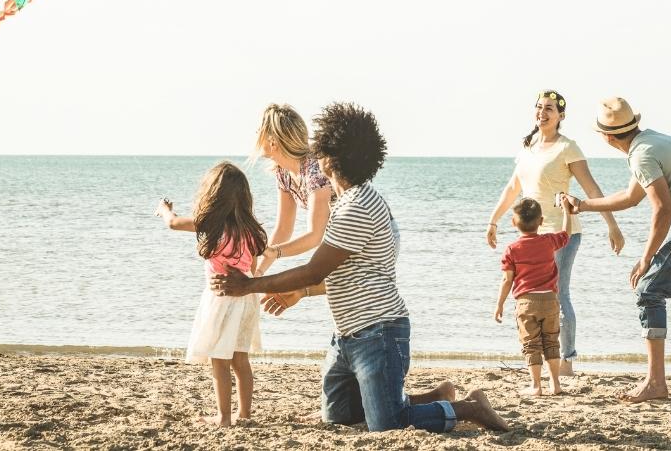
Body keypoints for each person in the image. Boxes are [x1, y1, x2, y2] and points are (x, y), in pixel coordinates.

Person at [213, 102, 508, 433]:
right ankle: (434, 396)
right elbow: (336, 272)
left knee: (387, 423)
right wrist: (284, 279)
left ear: (328, 158)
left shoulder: (355, 207)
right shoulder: (343, 201)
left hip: (378, 332)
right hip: (347, 336)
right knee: (339, 417)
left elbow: (315, 270)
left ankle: (469, 408)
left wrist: (251, 284)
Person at [563, 97, 671, 403]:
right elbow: (631, 198)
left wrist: (646, 258)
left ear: (606, 136)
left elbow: (662, 210)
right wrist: (581, 205)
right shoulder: (648, 144)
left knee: (648, 290)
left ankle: (656, 383)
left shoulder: (642, 155)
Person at [486, 89, 625, 375]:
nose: (542, 112)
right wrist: (493, 220)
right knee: (531, 295)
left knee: (558, 294)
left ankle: (566, 362)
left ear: (561, 116)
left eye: (549, 108)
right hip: (531, 236)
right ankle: (541, 358)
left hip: (562, 233)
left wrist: (612, 224)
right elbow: (513, 188)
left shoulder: (567, 148)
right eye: (539, 107)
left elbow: (591, 189)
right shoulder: (527, 146)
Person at [154, 161, 268, 426]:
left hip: (221, 299)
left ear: (213, 196)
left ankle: (224, 417)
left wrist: (164, 210)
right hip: (247, 298)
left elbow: (172, 224)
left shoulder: (211, 225)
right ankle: (245, 414)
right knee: (241, 358)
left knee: (219, 358)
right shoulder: (250, 231)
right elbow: (252, 268)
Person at [494, 196, 575, 396]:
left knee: (531, 344)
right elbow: (566, 234)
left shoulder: (512, 250)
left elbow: (507, 280)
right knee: (551, 341)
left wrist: (499, 305)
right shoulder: (548, 241)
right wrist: (566, 210)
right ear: (541, 221)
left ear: (514, 222)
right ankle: (555, 384)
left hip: (526, 303)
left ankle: (536, 386)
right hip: (550, 300)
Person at [251, 104, 334, 274]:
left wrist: (276, 252)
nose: (256, 134)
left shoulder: (314, 170)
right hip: (344, 238)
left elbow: (314, 236)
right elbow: (283, 229)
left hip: (370, 234)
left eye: (260, 130)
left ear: (273, 142)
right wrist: (257, 273)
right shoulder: (283, 172)